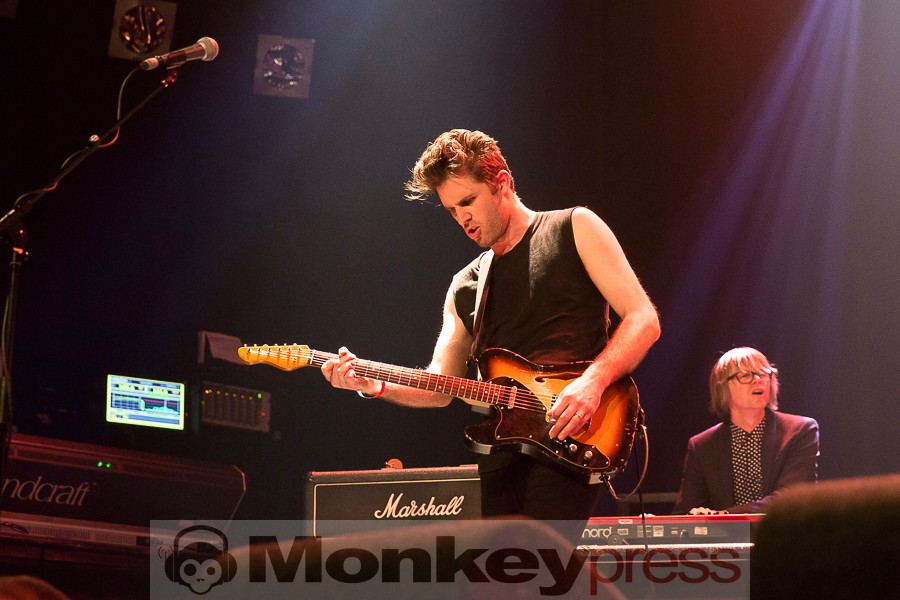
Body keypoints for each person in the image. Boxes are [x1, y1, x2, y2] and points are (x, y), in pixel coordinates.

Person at [321, 129, 660, 522]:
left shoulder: (574, 228)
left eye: (467, 201)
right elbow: (440, 386)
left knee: (537, 556)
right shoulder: (465, 285)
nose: (462, 218)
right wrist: (374, 385)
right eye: (451, 210)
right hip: (499, 450)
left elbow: (643, 318)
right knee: (496, 563)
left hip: (573, 434)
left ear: (502, 183)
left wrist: (593, 382)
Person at [673, 347, 819, 515]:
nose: (757, 380)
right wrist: (697, 515)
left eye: (763, 374)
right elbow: (685, 512)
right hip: (727, 532)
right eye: (745, 375)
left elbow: (791, 497)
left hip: (783, 530)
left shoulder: (800, 430)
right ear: (723, 386)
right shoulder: (702, 445)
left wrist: (725, 515)